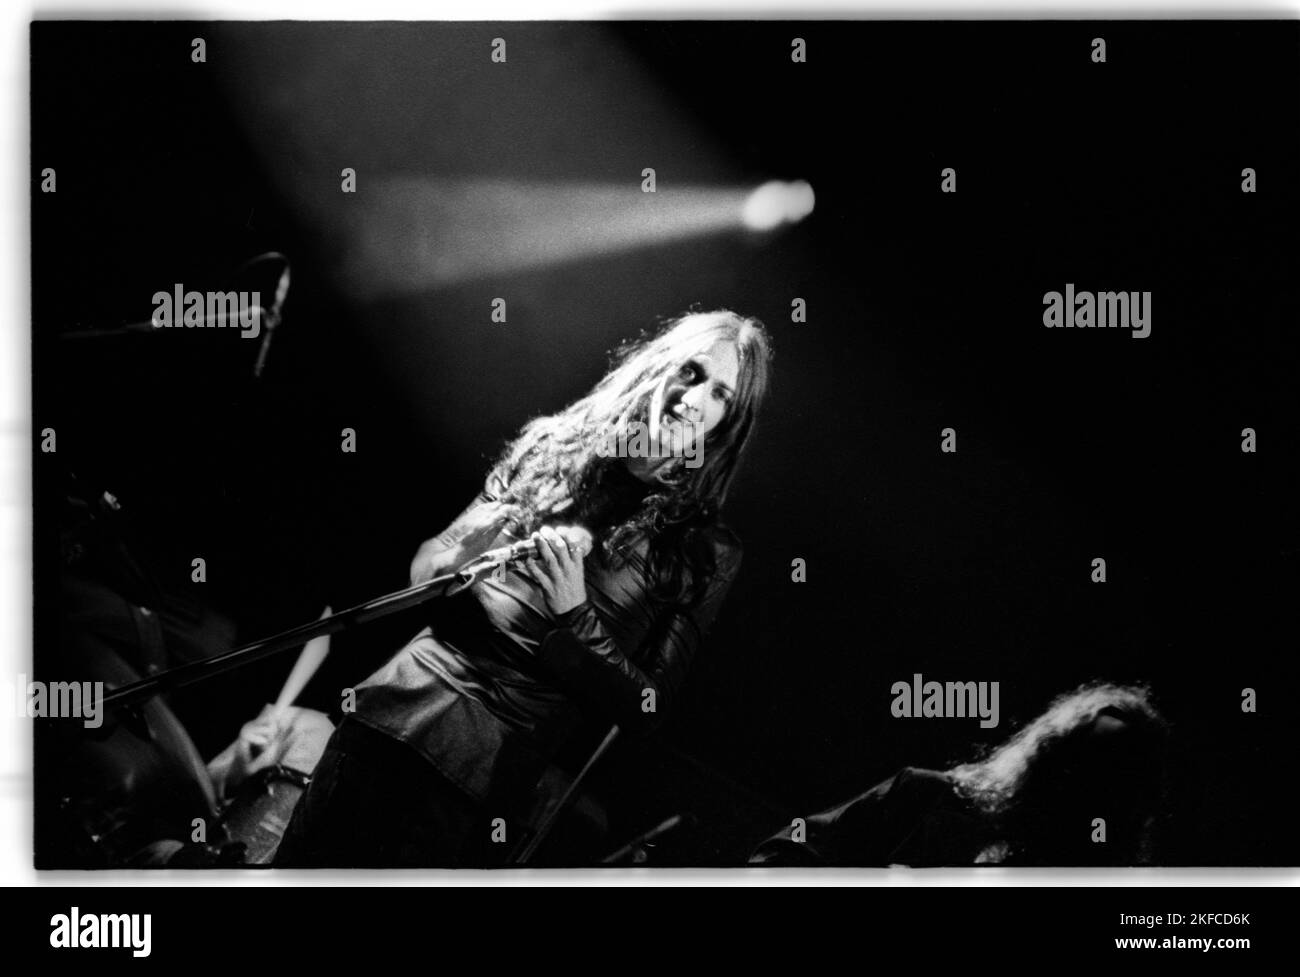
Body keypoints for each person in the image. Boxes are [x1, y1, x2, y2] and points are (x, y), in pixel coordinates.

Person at [276, 309, 773, 867]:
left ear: (728, 422)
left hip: (481, 772)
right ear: (659, 365)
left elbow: (648, 709)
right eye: (691, 371)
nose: (695, 397)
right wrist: (464, 551)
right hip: (392, 713)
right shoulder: (554, 446)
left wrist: (575, 616)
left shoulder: (704, 550)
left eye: (721, 395)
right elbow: (426, 568)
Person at [749, 682, 1171, 867]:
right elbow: (790, 849)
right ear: (1050, 754)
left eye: (1107, 781)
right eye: (1077, 760)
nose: (1079, 786)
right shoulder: (928, 795)